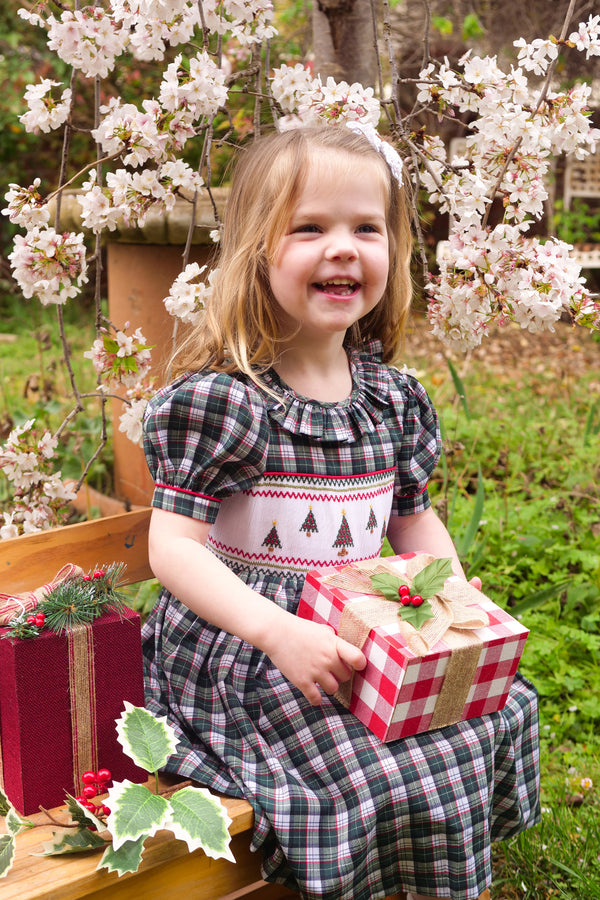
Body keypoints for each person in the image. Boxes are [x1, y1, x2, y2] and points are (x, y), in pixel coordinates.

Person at [142, 124, 540, 900]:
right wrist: (278, 630)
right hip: (257, 648)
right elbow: (174, 551)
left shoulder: (391, 399)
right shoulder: (230, 403)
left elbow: (413, 523)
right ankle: (358, 879)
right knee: (367, 768)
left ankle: (433, 879)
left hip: (368, 631)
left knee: (485, 712)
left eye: (367, 227)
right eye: (310, 227)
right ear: (259, 251)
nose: (343, 248)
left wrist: (451, 609)